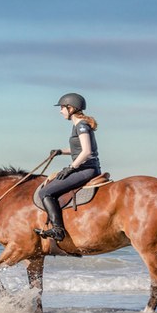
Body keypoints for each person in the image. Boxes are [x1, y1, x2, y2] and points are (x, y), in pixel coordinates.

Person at [36, 93, 102, 241]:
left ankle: (58, 230)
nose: (60, 111)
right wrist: (61, 151)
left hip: (86, 169)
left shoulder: (81, 125)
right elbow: (79, 149)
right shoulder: (78, 125)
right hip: (84, 168)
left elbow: (86, 151)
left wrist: (70, 168)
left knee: (45, 192)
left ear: (70, 108)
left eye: (62, 108)